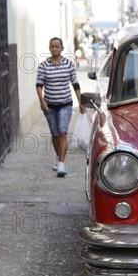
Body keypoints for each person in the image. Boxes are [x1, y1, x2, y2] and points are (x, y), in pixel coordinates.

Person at [36, 37, 85, 177]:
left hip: (65, 104)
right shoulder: (44, 66)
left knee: (62, 132)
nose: (54, 49)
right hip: (49, 106)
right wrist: (41, 101)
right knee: (55, 134)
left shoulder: (68, 64)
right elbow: (39, 85)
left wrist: (80, 102)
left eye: (57, 46)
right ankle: (58, 158)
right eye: (52, 46)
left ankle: (62, 164)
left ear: (62, 48)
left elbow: (75, 84)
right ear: (49, 48)